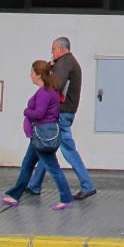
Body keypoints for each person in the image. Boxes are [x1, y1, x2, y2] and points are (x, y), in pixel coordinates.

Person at [25, 37, 96, 200]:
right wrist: (51, 66)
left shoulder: (65, 63)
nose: (51, 52)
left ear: (61, 49)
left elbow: (56, 84)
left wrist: (48, 72)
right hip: (65, 111)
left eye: (53, 49)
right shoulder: (68, 62)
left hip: (62, 112)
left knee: (66, 149)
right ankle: (35, 185)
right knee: (47, 146)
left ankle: (87, 185)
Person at [0, 60, 73, 210]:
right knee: (27, 164)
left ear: (39, 75)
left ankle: (66, 198)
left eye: (32, 72)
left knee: (53, 168)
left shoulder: (43, 93)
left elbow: (39, 114)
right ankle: (14, 195)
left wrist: (26, 111)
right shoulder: (51, 91)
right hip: (41, 135)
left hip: (42, 135)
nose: (30, 75)